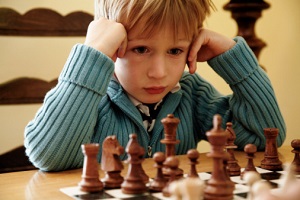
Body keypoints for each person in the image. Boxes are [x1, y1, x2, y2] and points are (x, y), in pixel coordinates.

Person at [24, 0, 286, 171]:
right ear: (113, 44)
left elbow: (262, 139)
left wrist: (233, 57)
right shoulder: (91, 98)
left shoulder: (191, 93)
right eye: (140, 49)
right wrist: (94, 53)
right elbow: (48, 155)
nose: (159, 73)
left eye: (175, 50)